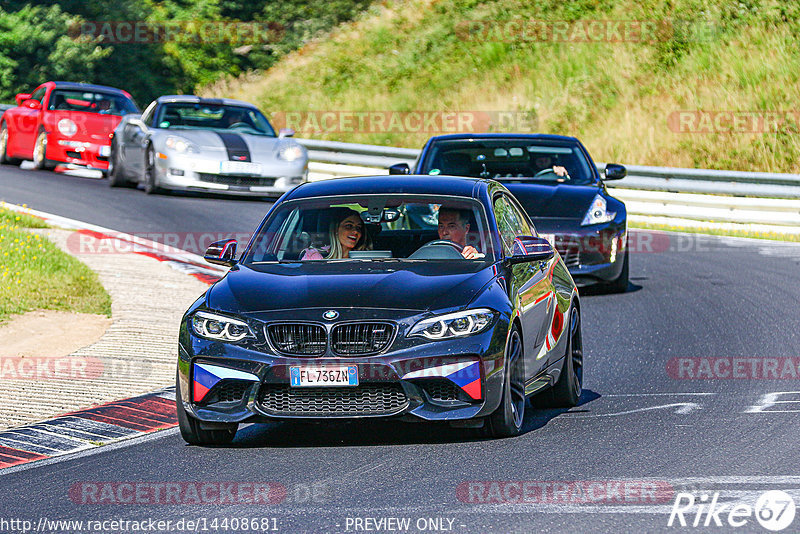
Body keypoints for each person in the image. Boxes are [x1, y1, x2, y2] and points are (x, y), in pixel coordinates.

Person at [300, 207, 372, 260]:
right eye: (349, 226)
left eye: (358, 228)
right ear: (335, 229)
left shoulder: (366, 258)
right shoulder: (314, 257)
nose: (356, 231)